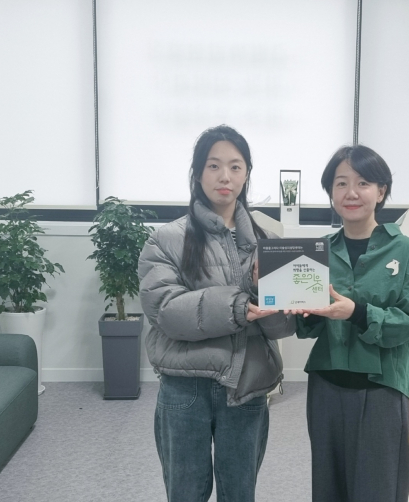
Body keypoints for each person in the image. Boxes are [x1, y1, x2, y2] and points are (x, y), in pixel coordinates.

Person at [138, 125, 295, 502]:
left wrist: (262, 290)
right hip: (185, 386)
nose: (225, 176)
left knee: (240, 492)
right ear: (197, 173)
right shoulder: (165, 239)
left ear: (246, 175)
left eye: (235, 167)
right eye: (214, 166)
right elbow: (165, 310)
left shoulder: (270, 243)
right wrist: (239, 305)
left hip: (247, 386)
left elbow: (282, 326)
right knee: (185, 492)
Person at [291, 145, 409, 502]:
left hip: (382, 388)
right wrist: (300, 310)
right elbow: (309, 328)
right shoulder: (316, 252)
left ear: (381, 191)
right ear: (331, 192)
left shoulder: (406, 251)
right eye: (341, 183)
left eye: (363, 183)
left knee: (378, 488)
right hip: (326, 384)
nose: (351, 193)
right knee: (328, 485)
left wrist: (357, 312)